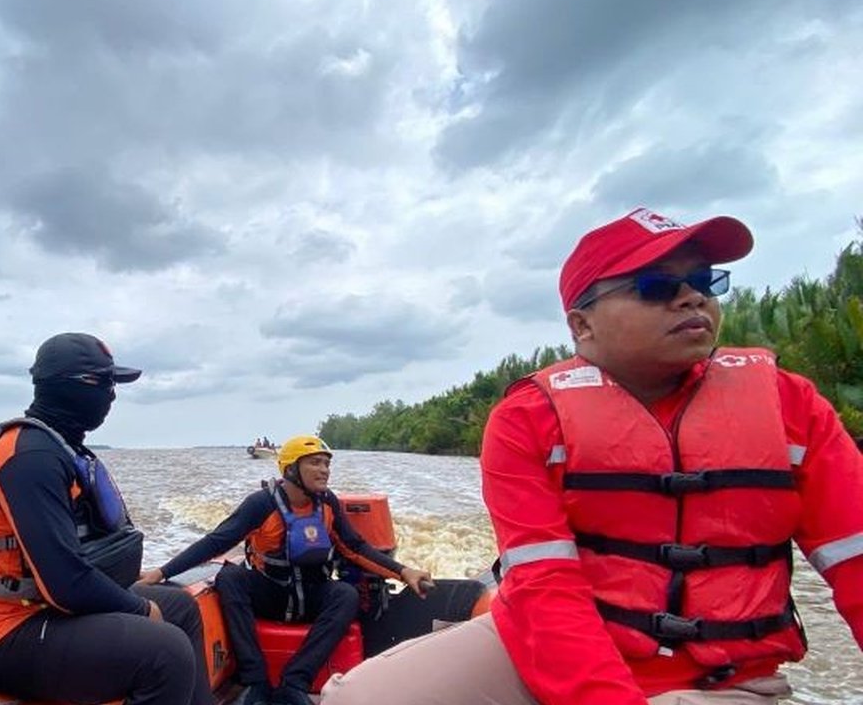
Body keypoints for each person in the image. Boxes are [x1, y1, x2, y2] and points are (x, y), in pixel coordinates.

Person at [319, 208, 863, 704]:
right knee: (357, 698)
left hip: (722, 675)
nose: (691, 298)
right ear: (582, 325)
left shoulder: (791, 405)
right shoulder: (528, 418)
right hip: (551, 640)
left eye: (704, 281)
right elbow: (545, 586)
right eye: (656, 286)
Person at [0, 333, 213, 705]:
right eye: (105, 384)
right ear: (71, 386)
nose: (112, 396)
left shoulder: (59, 447)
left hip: (45, 610)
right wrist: (140, 609)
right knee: (166, 651)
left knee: (181, 607)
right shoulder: (29, 458)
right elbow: (64, 582)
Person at [137, 434, 433, 705]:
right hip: (271, 594)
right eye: (315, 463)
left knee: (346, 594)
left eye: (327, 464)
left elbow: (355, 547)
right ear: (291, 469)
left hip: (313, 594)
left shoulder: (328, 503)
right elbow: (216, 542)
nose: (324, 470)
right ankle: (255, 682)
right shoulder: (261, 504)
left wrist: (403, 571)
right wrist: (162, 573)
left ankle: (295, 682)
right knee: (230, 577)